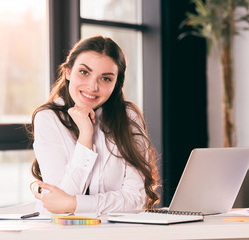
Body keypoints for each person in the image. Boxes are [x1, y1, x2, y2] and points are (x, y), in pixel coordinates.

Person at [30, 35, 159, 215]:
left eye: (105, 78)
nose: (92, 86)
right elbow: (57, 204)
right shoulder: (48, 118)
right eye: (84, 72)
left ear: (116, 84)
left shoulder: (128, 117)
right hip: (59, 231)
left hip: (114, 231)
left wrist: (74, 204)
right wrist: (85, 135)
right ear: (68, 72)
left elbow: (134, 200)